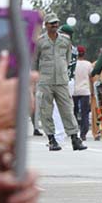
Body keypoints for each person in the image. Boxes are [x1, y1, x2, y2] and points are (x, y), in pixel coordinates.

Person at [34, 13, 87, 152]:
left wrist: (62, 69)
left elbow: (68, 59)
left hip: (62, 80)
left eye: (56, 23)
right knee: (46, 111)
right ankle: (52, 139)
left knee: (68, 110)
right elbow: (34, 61)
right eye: (52, 23)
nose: (55, 25)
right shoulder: (40, 42)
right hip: (45, 81)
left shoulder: (65, 41)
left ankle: (75, 138)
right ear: (46, 25)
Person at [71, 46, 93, 142]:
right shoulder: (88, 64)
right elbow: (91, 78)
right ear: (84, 53)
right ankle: (83, 133)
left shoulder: (72, 64)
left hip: (74, 91)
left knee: (74, 112)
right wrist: (92, 92)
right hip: (85, 91)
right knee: (85, 113)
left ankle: (74, 131)